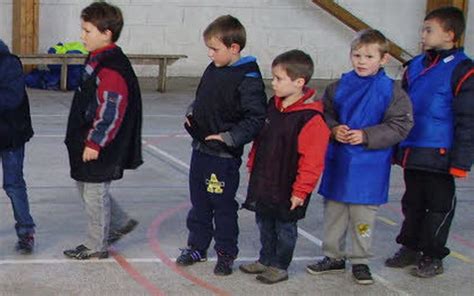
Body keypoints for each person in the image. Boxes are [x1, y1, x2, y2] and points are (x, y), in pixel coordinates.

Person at [306, 29, 413, 285]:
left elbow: (400, 125)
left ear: (383, 59)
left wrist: (366, 135)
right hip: (340, 163)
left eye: (368, 56)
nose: (361, 61)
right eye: (357, 55)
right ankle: (333, 256)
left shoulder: (392, 92)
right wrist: (333, 128)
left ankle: (360, 260)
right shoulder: (338, 87)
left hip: (370, 167)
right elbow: (323, 113)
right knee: (334, 213)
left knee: (363, 217)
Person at [385, 6, 474, 278]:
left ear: (450, 35)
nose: (422, 35)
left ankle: (433, 254)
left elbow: (468, 119)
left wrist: (461, 161)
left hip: (441, 152)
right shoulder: (415, 66)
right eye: (422, 29)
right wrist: (396, 147)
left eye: (428, 30)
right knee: (412, 202)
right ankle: (410, 246)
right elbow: (400, 110)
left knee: (438, 206)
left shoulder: (463, 70)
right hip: (414, 148)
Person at [178, 15, 267, 276]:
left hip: (223, 157)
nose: (210, 53)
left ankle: (226, 252)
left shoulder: (248, 77)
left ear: (234, 48)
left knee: (223, 207)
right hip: (201, 150)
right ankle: (197, 246)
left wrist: (228, 138)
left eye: (215, 49)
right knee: (199, 202)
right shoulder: (215, 68)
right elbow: (203, 98)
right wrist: (192, 112)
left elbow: (255, 119)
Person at [239, 50, 330, 284]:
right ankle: (265, 258)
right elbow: (261, 141)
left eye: (279, 79)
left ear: (299, 82)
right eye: (274, 77)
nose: (273, 83)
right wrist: (252, 164)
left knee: (284, 227)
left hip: (288, 186)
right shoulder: (272, 106)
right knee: (264, 222)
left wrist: (301, 191)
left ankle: (280, 265)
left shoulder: (311, 118)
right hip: (265, 180)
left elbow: (312, 161)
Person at [63, 2, 142, 260]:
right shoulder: (97, 59)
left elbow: (111, 112)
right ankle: (118, 222)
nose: (82, 36)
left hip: (101, 144)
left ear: (106, 33)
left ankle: (96, 244)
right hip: (85, 139)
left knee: (95, 192)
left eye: (87, 31)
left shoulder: (111, 69)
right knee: (86, 187)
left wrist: (95, 143)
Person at [0, 39, 36, 254]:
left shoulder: (8, 62)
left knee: (13, 185)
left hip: (10, 134)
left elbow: (11, 98)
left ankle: (26, 231)